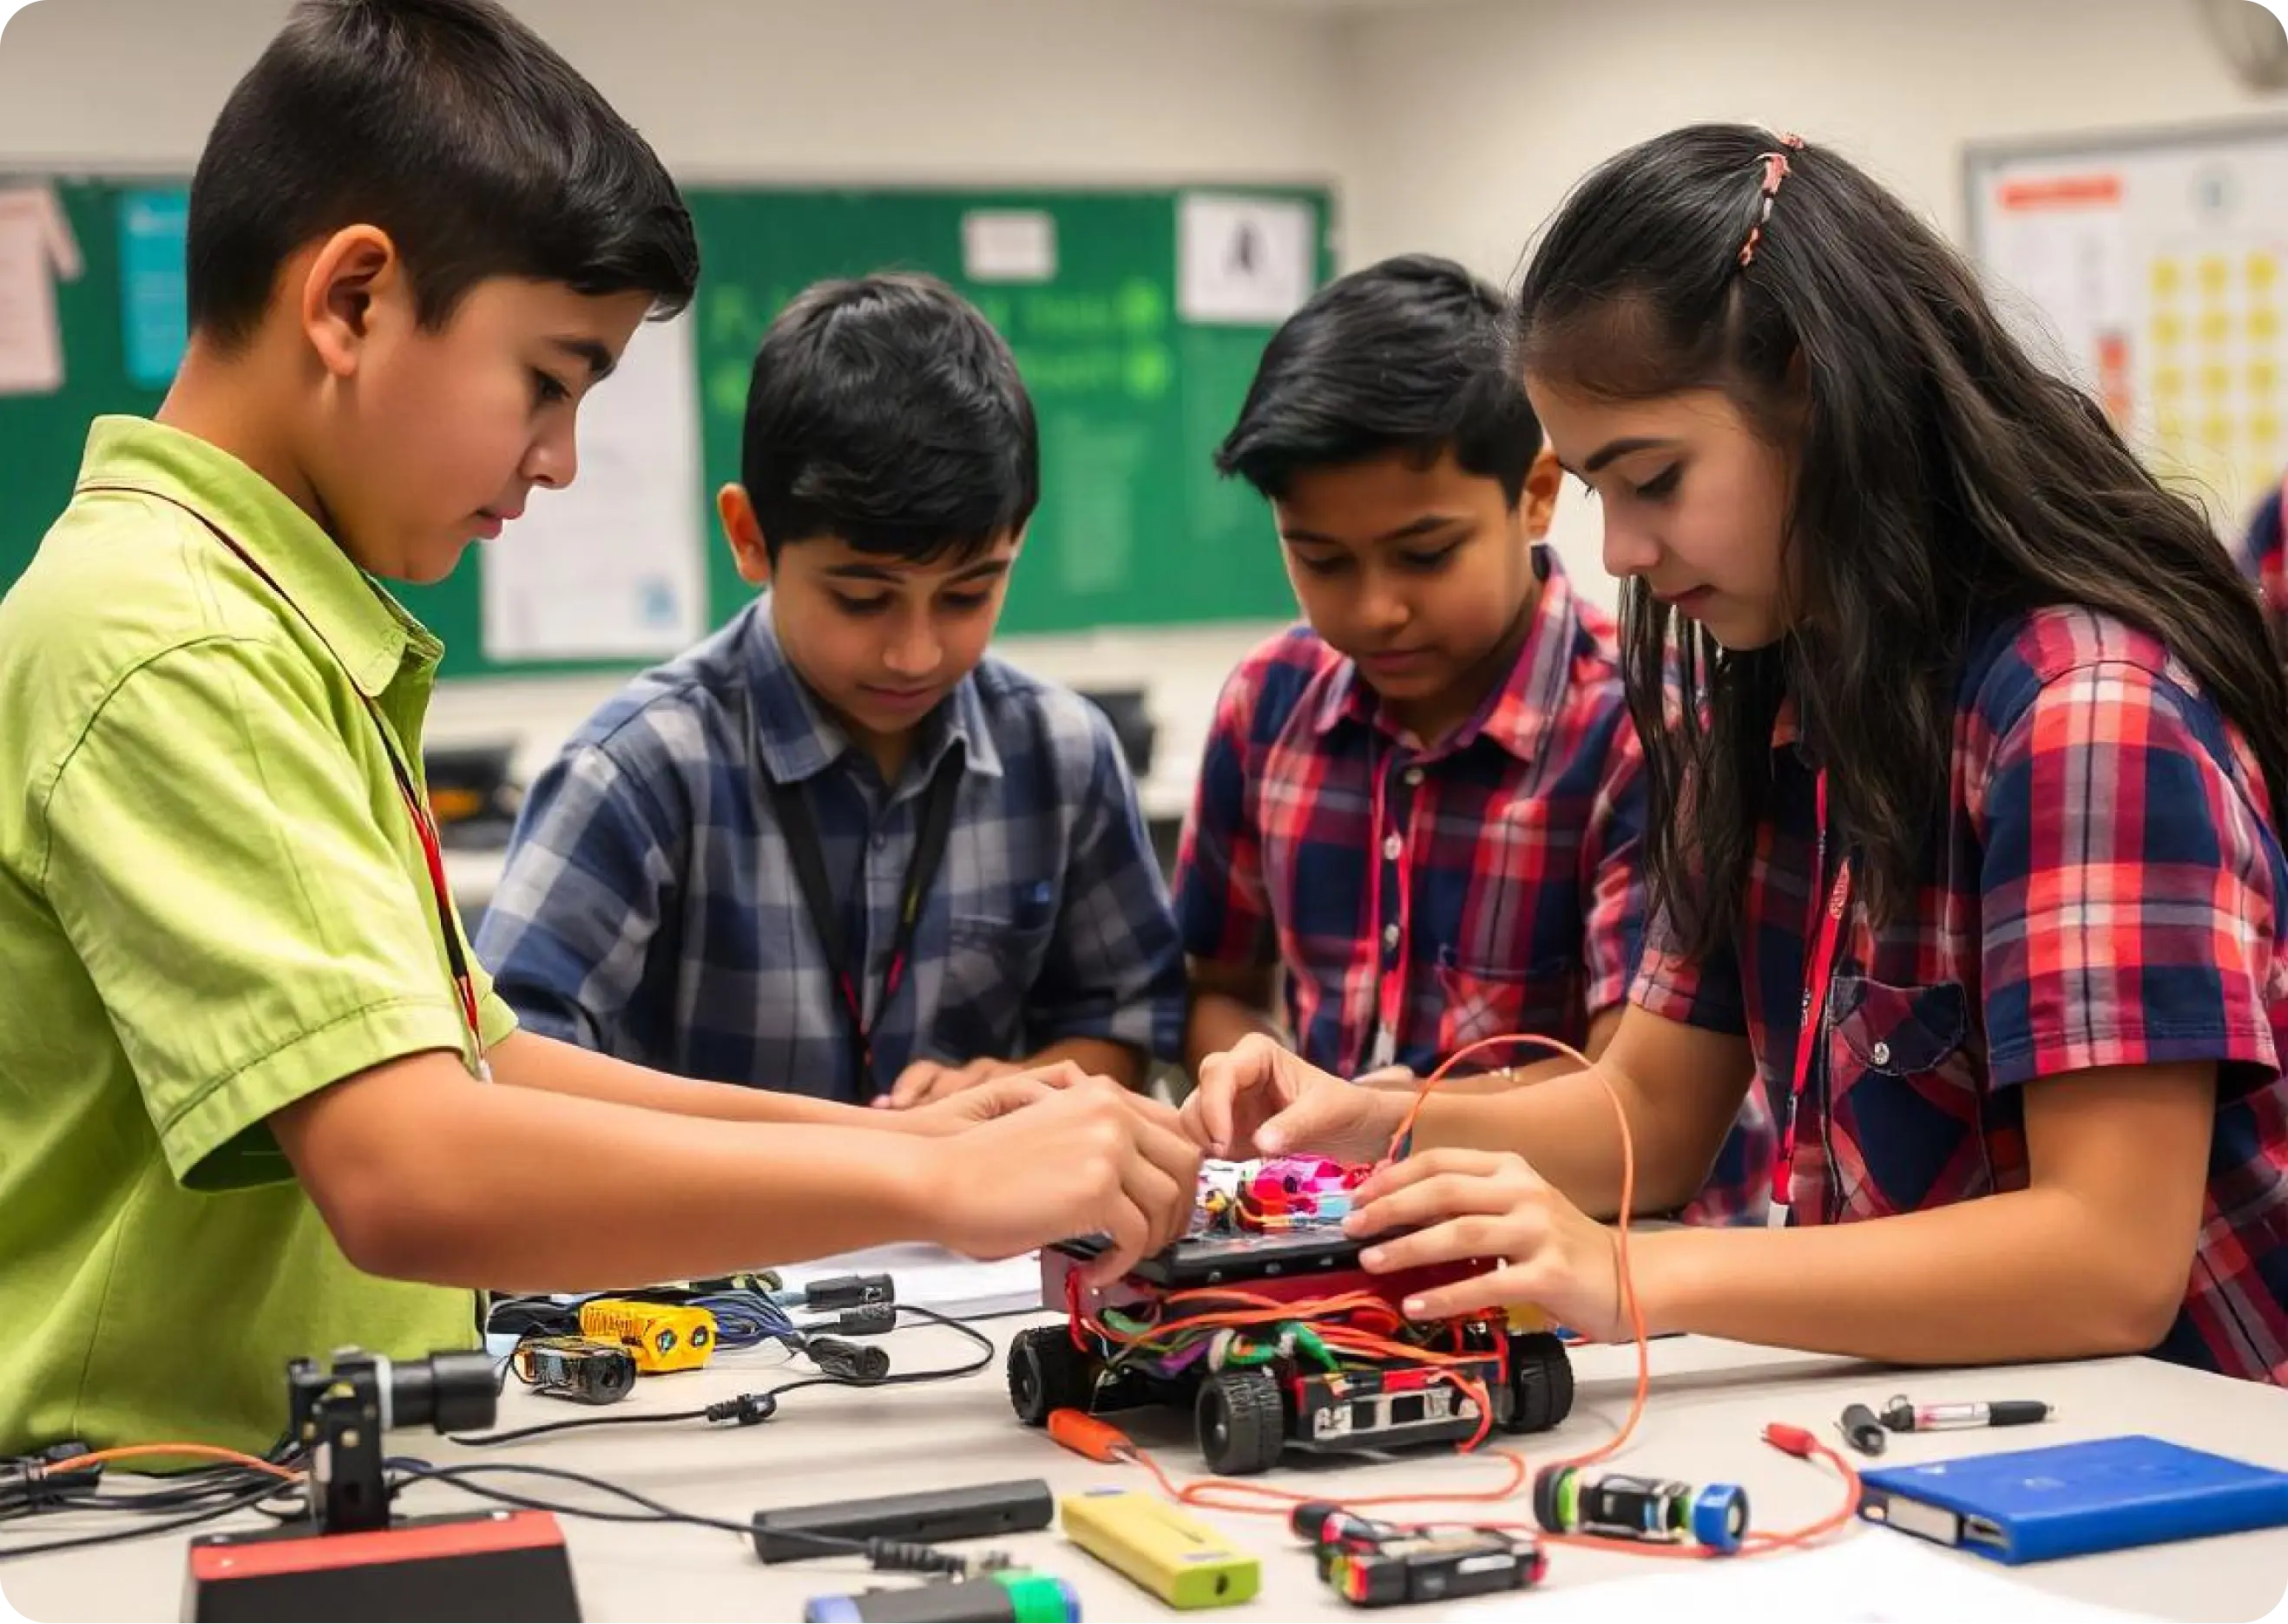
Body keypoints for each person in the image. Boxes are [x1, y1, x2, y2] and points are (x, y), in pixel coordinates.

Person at [0, 0, 1194, 1458]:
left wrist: (913, 1139)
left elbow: (478, 1055)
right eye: (548, 382)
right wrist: (930, 1194)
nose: (558, 459)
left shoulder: (263, 620)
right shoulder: (174, 642)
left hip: (274, 1457)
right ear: (353, 300)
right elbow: (407, 1171)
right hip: (132, 1487)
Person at [1185, 125, 2288, 1384]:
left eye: (1653, 478)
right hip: (1939, 1427)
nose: (1621, 553)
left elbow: (2105, 1259)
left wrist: (1632, 1272)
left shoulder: (2084, 707)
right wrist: (1368, 1114)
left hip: (2183, 1460)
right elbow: (1649, 1112)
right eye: (1603, 492)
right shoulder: (1766, 699)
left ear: (1819, 393)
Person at [476, 273, 1186, 1108]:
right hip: (717, 1238)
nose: (915, 652)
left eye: (968, 594)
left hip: (978, 1241)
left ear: (1018, 541)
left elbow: (1132, 1023)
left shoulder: (1062, 755)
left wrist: (1025, 1086)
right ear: (750, 537)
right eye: (861, 598)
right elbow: (507, 1076)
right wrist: (862, 1155)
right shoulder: (637, 773)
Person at [1173, 254, 1767, 1225]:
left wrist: (1372, 1114)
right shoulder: (1267, 705)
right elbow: (1217, 984)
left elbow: (1639, 1108)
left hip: (1623, 1274)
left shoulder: (1645, 725)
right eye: (1319, 559)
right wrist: (1253, 1085)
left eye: (1424, 553)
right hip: (1346, 1248)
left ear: (1533, 496)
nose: (1376, 607)